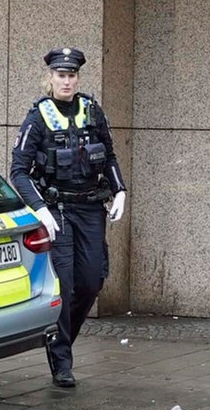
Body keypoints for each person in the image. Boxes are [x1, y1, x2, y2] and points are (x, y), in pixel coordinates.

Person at [10, 47, 125, 388]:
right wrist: (40, 209)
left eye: (72, 75)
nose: (67, 81)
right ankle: (61, 361)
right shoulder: (38, 117)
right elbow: (19, 171)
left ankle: (59, 342)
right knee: (64, 284)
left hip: (90, 207)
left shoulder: (91, 110)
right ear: (50, 78)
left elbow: (109, 156)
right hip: (57, 212)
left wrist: (120, 190)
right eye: (61, 75)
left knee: (91, 282)